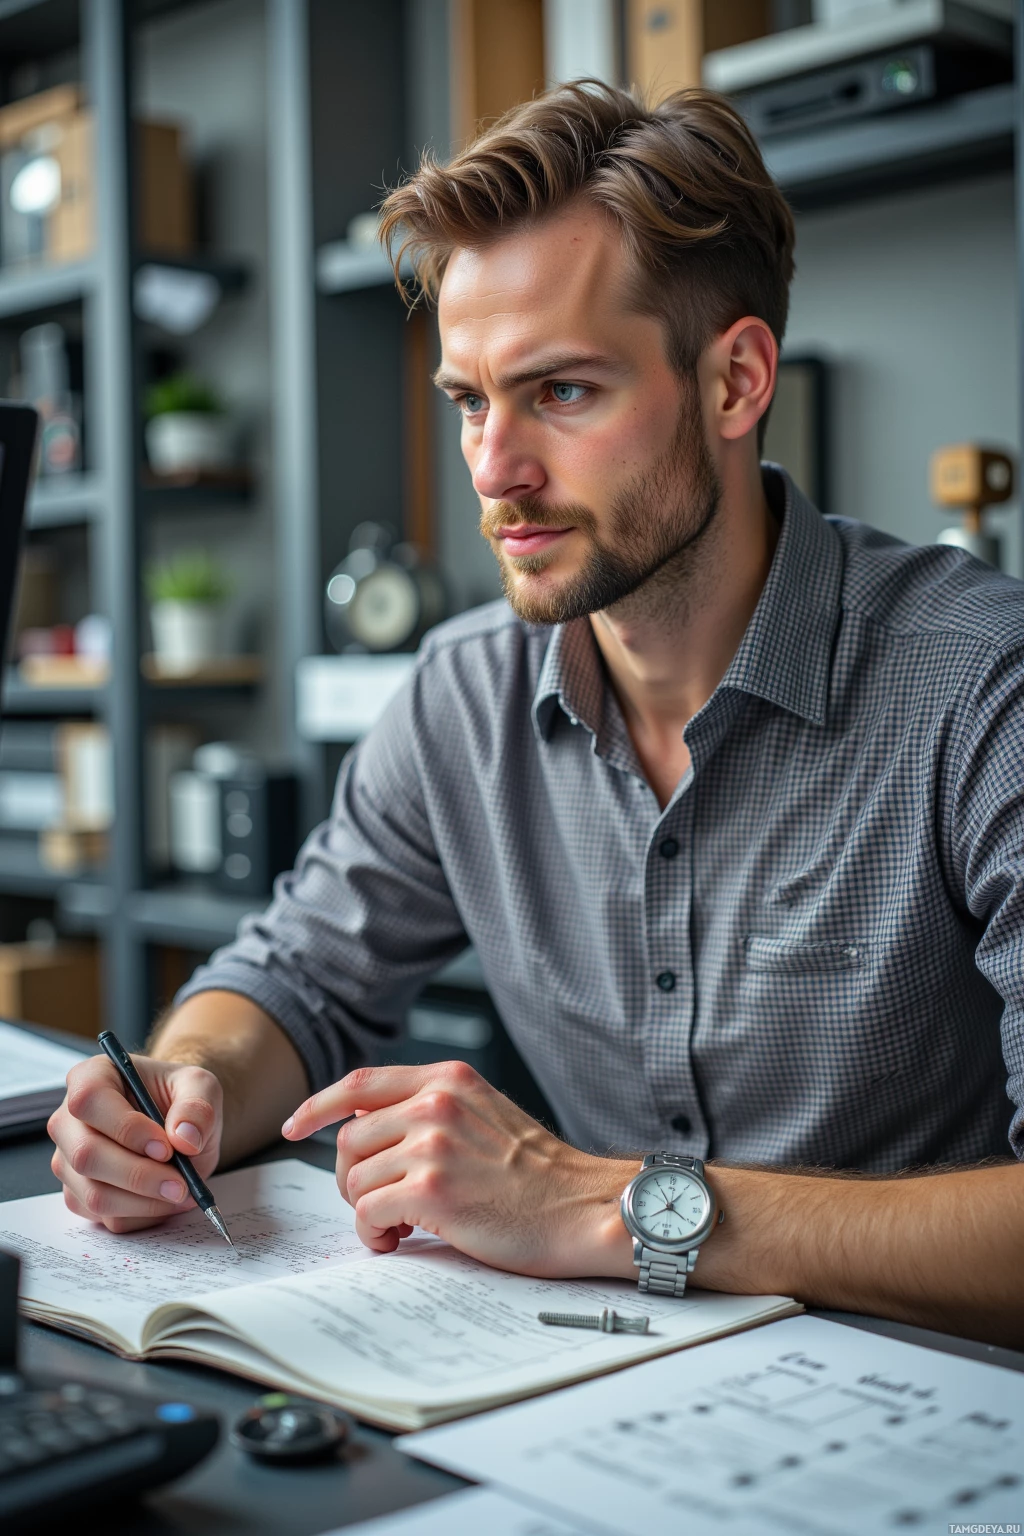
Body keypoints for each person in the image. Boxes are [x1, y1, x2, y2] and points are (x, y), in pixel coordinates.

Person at [48, 83, 1023, 1345]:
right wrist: (184, 1094)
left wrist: (612, 1208)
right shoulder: (463, 694)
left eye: (560, 393)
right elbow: (293, 978)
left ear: (734, 381)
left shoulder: (980, 685)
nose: (495, 471)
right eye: (468, 400)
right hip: (584, 1402)